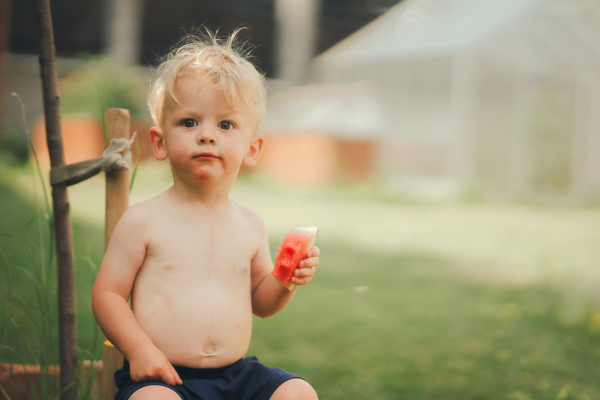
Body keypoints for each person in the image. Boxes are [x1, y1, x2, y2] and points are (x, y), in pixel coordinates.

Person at [92, 30, 320, 400]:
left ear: (252, 149)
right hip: (163, 376)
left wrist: (285, 280)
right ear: (159, 142)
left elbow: (261, 304)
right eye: (189, 122)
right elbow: (107, 294)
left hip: (237, 377)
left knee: (298, 392)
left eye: (225, 125)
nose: (207, 135)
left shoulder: (250, 224)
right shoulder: (143, 220)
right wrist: (139, 350)